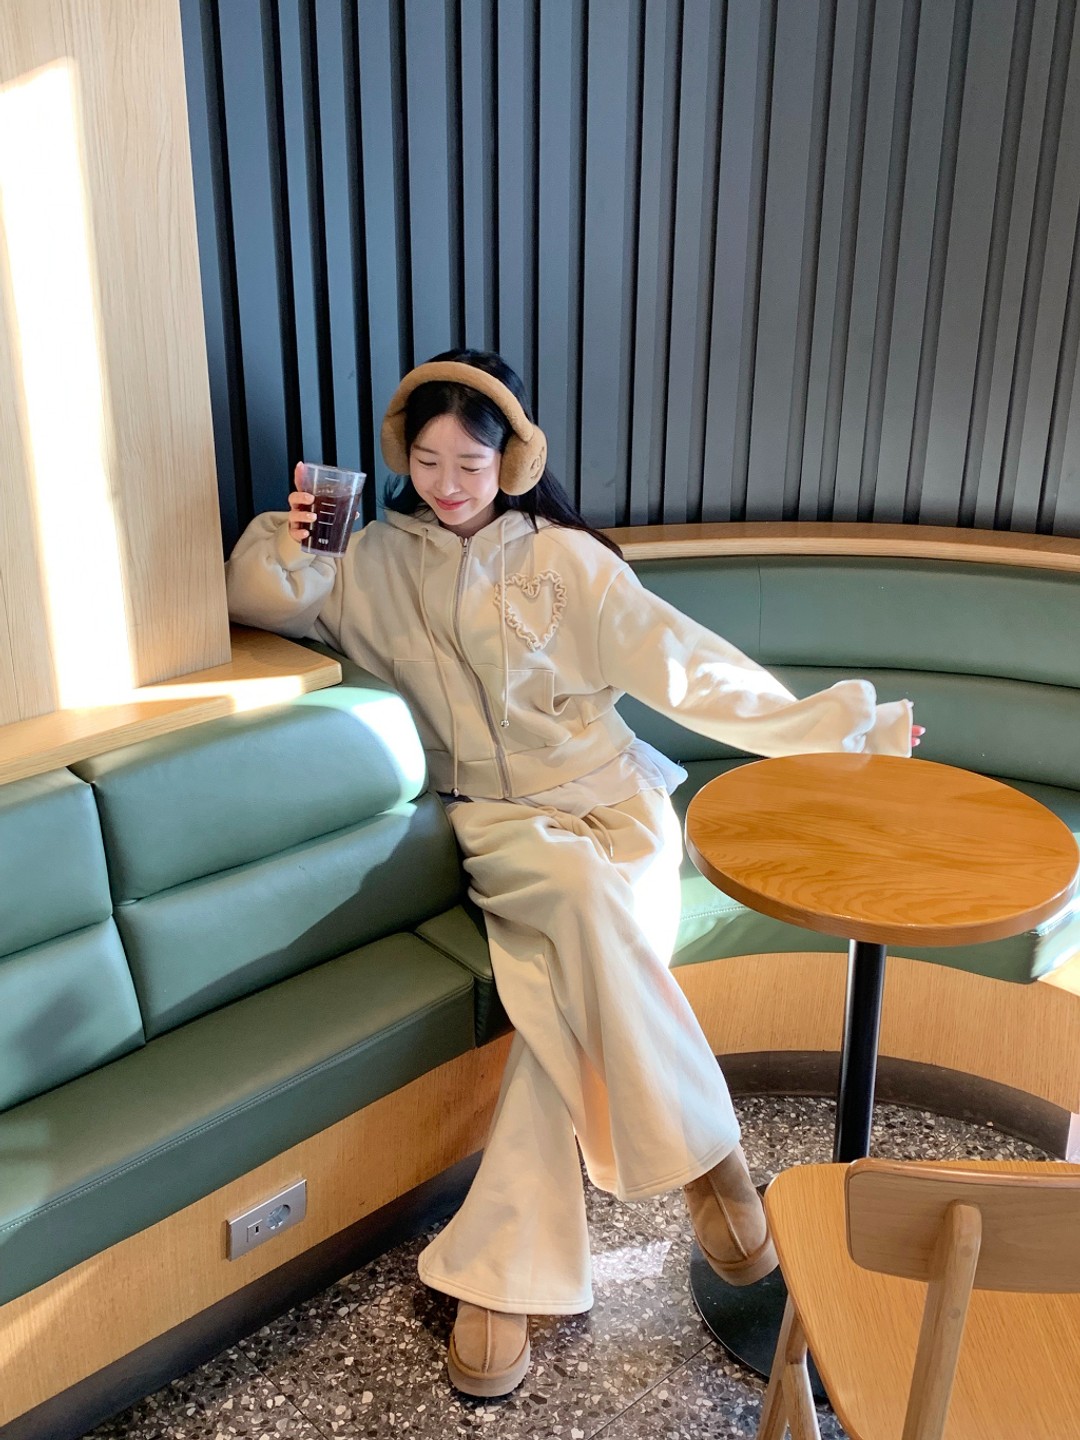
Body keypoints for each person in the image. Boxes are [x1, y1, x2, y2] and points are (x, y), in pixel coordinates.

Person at [226, 349, 922, 1399]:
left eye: (470, 463)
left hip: (620, 808)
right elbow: (259, 600)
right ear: (402, 458)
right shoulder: (369, 562)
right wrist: (306, 534)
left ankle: (503, 1281)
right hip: (503, 827)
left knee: (561, 1006)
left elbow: (691, 669)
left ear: (513, 461)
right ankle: (717, 1172)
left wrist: (846, 729)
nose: (448, 484)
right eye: (427, 461)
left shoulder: (568, 563)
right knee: (582, 904)